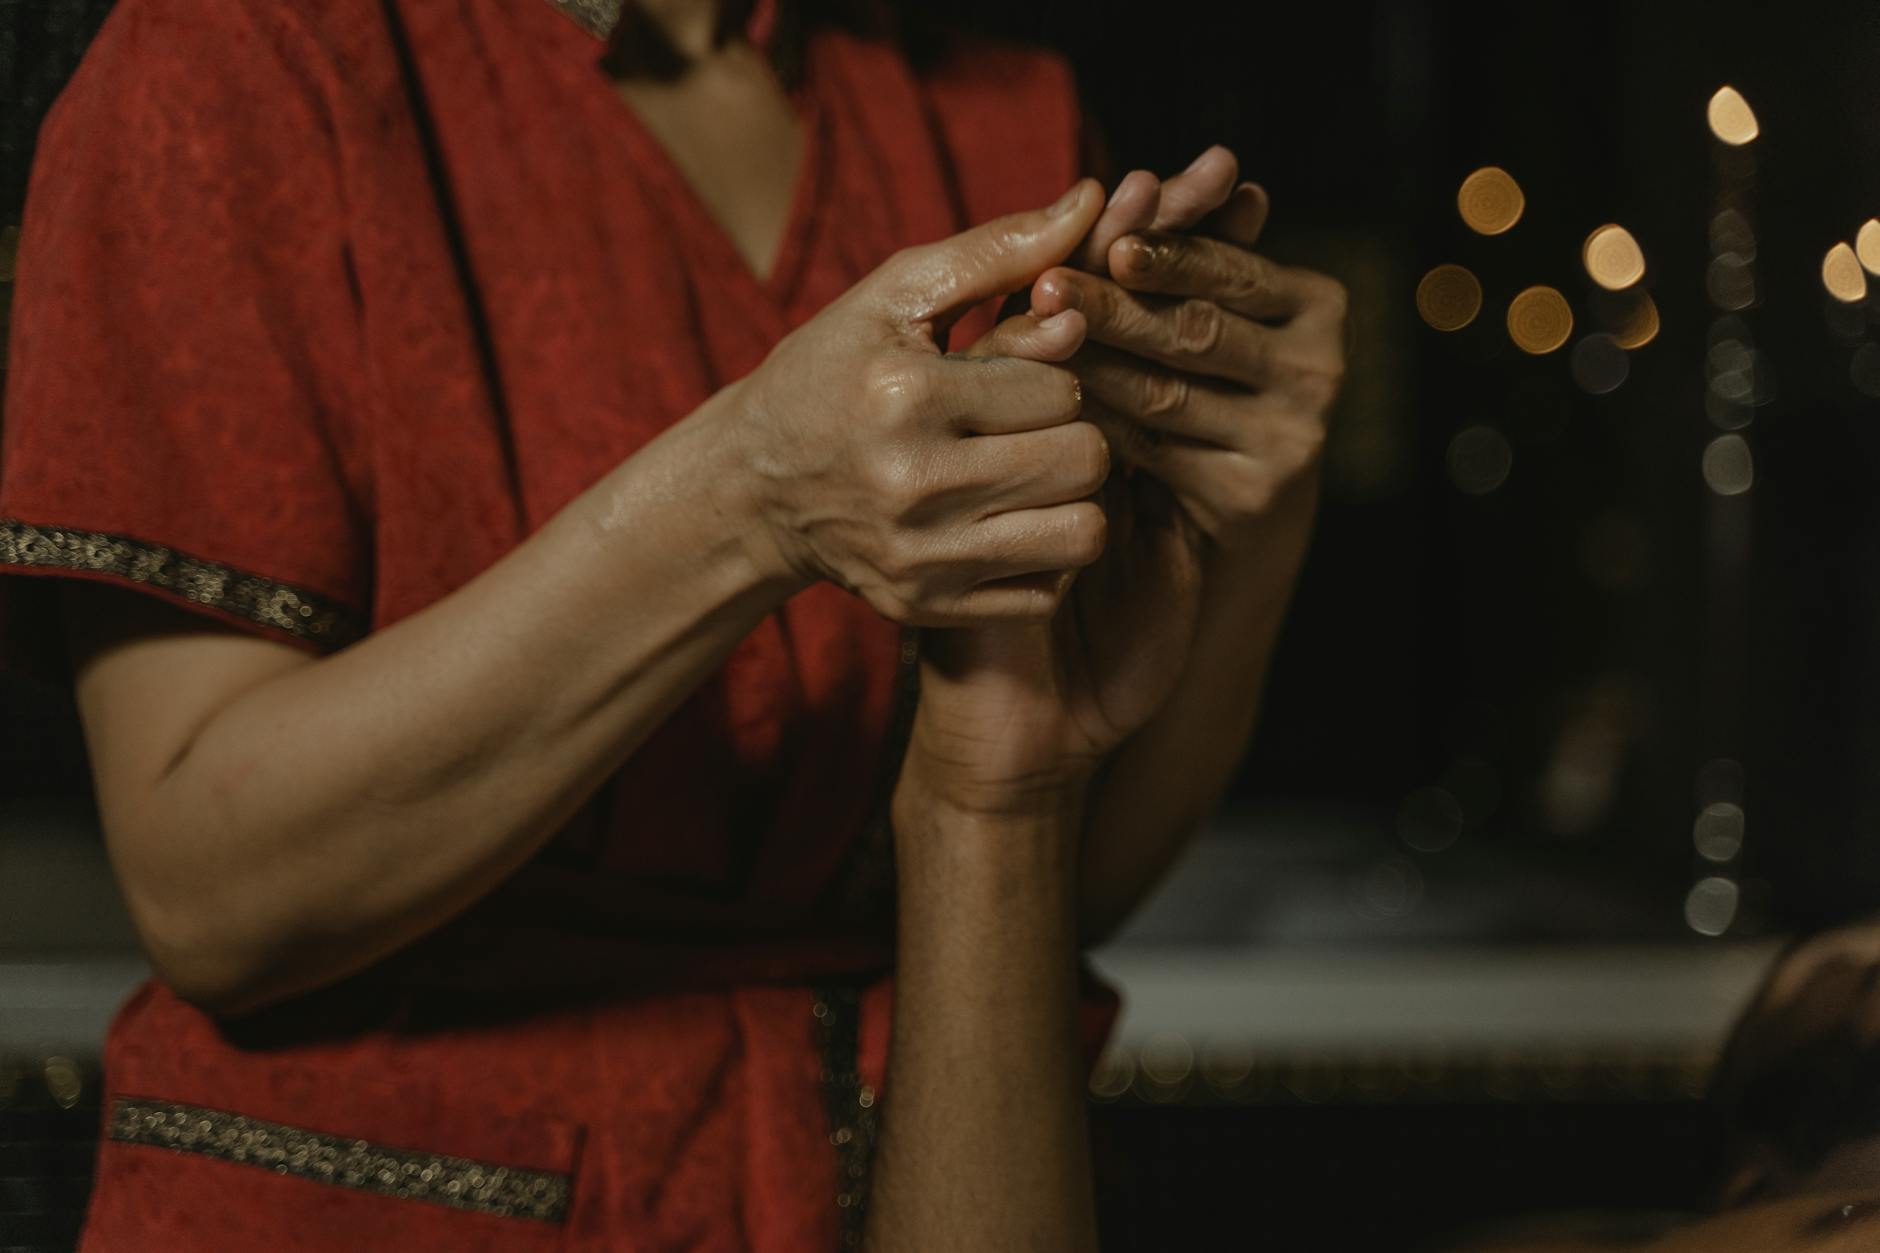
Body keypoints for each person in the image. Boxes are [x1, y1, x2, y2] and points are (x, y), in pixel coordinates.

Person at [0, 0, 1347, 1247]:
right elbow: (208, 891)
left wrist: (1254, 515)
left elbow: (1065, 872)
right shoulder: (244, 59)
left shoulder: (998, 116)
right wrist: (746, 497)